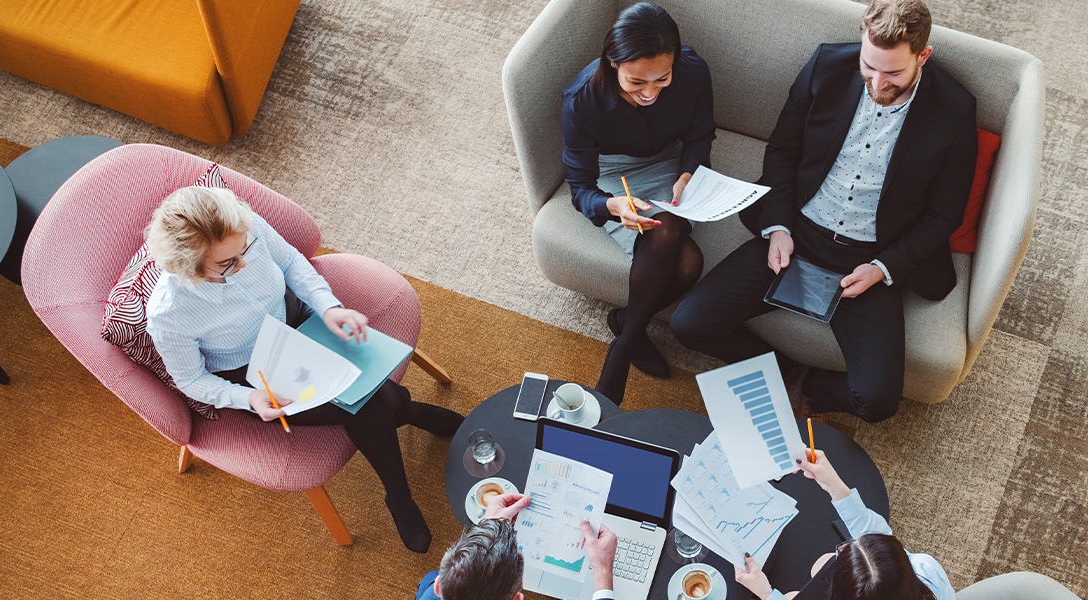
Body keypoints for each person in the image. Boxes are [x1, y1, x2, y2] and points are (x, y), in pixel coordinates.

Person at [670, 0, 978, 423]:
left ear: (922, 56)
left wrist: (883, 268)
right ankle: (775, 362)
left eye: (893, 73)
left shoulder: (955, 109)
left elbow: (945, 215)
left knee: (877, 402)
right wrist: (777, 227)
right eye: (869, 65)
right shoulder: (826, 65)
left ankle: (816, 387)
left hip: (870, 258)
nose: (877, 81)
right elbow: (782, 151)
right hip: (798, 232)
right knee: (689, 324)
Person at [144, 185, 464, 554]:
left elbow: (293, 263)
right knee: (370, 403)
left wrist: (328, 307)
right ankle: (400, 492)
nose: (244, 263)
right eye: (227, 264)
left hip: (296, 320)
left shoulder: (241, 229)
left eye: (244, 248)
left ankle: (407, 414)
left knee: (373, 397)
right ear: (189, 268)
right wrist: (248, 398)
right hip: (253, 370)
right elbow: (189, 379)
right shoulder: (170, 315)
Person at [562, 1, 715, 404]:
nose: (650, 93)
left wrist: (688, 174)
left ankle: (623, 335)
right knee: (686, 260)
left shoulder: (693, 71)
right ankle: (627, 339)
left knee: (681, 248)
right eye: (636, 83)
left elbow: (700, 137)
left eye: (661, 80)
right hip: (615, 172)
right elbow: (580, 187)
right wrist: (614, 206)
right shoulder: (581, 100)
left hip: (669, 161)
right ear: (613, 63)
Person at [734, 450, 953, 600]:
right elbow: (876, 532)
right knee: (820, 565)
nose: (842, 546)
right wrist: (832, 482)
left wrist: (765, 592)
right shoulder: (926, 570)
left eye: (845, 549)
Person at [414, 494, 619, 600]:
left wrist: (491, 527)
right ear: (517, 599)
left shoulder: (431, 593)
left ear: (439, 585)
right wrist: (602, 571)